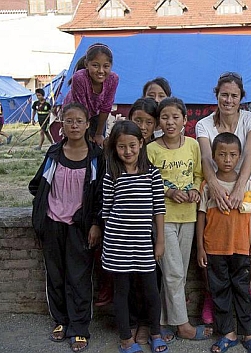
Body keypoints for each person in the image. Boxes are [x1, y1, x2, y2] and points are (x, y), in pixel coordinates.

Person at [28, 102, 105, 352]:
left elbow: (101, 195)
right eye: (69, 121)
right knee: (56, 273)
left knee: (79, 276)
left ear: (86, 125)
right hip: (52, 222)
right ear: (62, 124)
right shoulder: (53, 153)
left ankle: (79, 326)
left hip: (80, 226)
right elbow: (36, 185)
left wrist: (95, 223)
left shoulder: (96, 157)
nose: (73, 125)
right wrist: (41, 215)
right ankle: (61, 320)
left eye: (79, 121)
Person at [195, 72, 251, 323]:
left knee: (247, 239)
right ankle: (212, 294)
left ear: (241, 97)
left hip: (244, 184)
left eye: (234, 95)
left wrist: (238, 188)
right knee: (211, 239)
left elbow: (250, 154)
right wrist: (212, 185)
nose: (229, 100)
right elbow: (204, 157)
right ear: (217, 95)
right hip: (214, 183)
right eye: (224, 94)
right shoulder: (204, 124)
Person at [147, 97, 211, 341]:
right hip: (163, 217)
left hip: (189, 216)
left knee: (178, 273)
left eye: (175, 117)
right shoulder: (151, 149)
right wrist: (169, 191)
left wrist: (195, 189)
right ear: (158, 122)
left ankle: (162, 321)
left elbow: (198, 174)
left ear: (185, 120)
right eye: (165, 117)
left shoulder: (193, 145)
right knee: (173, 272)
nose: (170, 122)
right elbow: (149, 183)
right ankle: (183, 325)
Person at [101, 120, 168, 353]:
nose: (127, 151)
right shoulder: (112, 174)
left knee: (151, 290)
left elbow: (158, 209)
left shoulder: (152, 174)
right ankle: (125, 338)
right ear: (114, 147)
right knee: (122, 291)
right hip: (118, 243)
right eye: (121, 147)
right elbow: (107, 210)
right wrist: (113, 238)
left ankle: (155, 332)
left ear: (141, 143)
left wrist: (159, 240)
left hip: (144, 243)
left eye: (132, 145)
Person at [196, 132, 251, 353]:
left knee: (243, 291)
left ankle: (249, 333)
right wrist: (200, 247)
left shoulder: (247, 185)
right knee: (219, 291)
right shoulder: (208, 186)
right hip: (214, 248)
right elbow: (201, 218)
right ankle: (228, 333)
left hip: (242, 248)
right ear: (213, 157)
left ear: (240, 157)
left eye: (232, 155)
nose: (227, 159)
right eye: (222, 154)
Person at [64, 43, 119, 146]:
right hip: (76, 113)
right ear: (86, 64)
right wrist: (86, 135)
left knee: (97, 145)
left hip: (97, 114)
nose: (101, 71)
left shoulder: (113, 79)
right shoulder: (79, 78)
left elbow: (106, 107)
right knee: (79, 143)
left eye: (106, 66)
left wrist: (98, 134)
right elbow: (81, 108)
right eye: (95, 65)